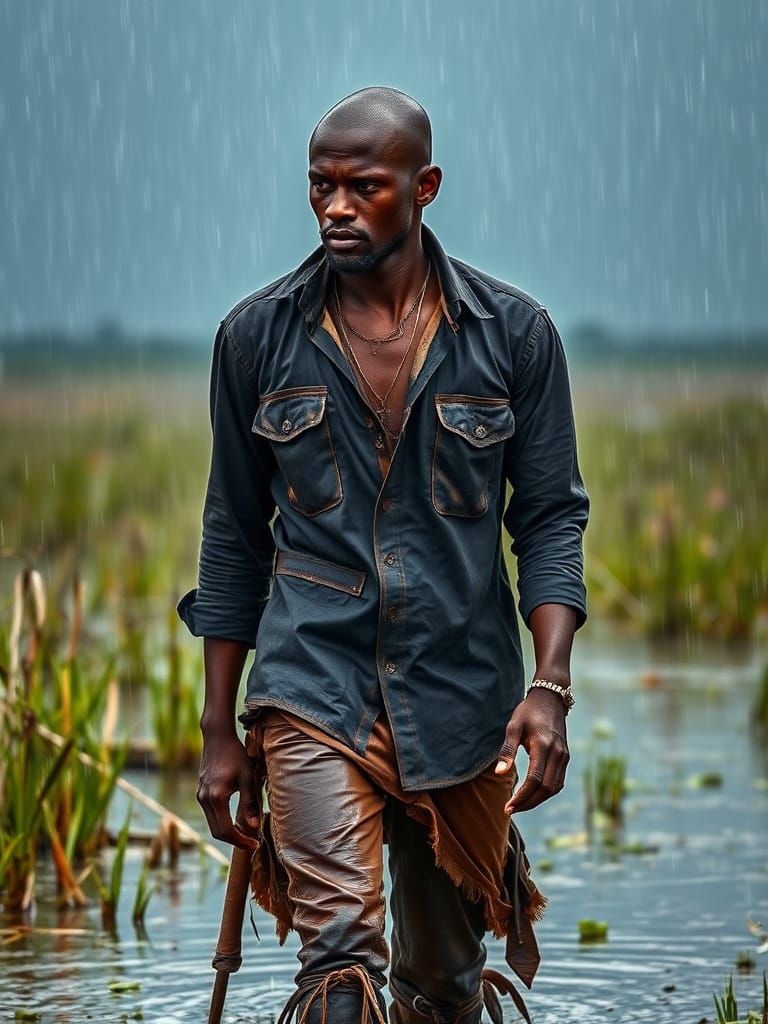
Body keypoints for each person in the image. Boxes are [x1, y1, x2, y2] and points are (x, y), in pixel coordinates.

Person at [177, 86, 590, 1024]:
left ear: (425, 187)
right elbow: (232, 541)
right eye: (320, 186)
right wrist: (216, 729)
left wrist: (550, 685)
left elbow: (552, 519)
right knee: (338, 977)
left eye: (363, 187)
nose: (334, 207)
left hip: (465, 696)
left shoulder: (514, 338)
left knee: (442, 984)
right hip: (311, 688)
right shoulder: (256, 339)